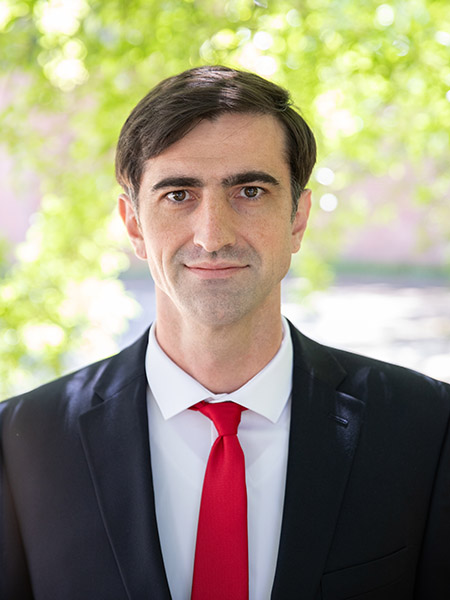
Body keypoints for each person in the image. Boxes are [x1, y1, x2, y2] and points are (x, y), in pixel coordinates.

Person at [1, 65, 449, 600]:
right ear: (134, 225)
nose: (213, 236)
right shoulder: (22, 441)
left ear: (298, 218)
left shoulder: (428, 428)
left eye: (250, 191)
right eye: (178, 195)